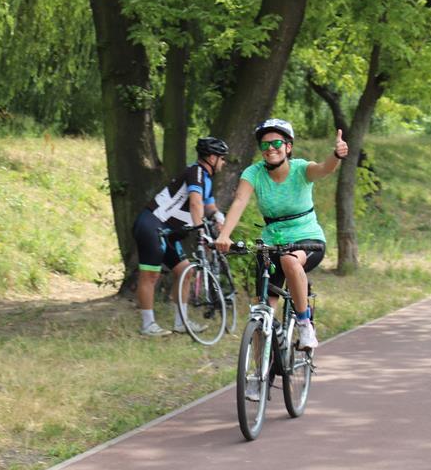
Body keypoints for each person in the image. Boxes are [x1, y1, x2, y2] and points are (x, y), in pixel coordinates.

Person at [215, 119, 348, 351]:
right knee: (260, 313)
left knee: (289, 260)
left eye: (276, 143)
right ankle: (260, 369)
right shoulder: (254, 173)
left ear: (288, 146)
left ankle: (304, 325)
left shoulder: (301, 169)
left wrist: (336, 155)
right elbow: (240, 201)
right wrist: (224, 235)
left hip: (307, 239)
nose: (270, 148)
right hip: (271, 243)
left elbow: (324, 168)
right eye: (265, 145)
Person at [132, 137, 228, 336]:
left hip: (168, 232)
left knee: (185, 270)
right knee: (150, 275)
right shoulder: (196, 172)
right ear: (212, 158)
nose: (224, 162)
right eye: (222, 158)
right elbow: (195, 203)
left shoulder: (206, 178)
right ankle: (148, 325)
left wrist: (218, 216)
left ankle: (181, 322)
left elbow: (208, 206)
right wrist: (201, 231)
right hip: (152, 224)